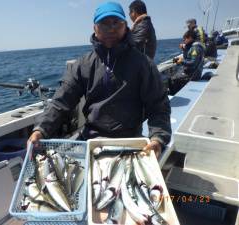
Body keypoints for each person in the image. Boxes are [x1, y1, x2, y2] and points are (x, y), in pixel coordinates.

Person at [28, 1, 171, 158]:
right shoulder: (83, 64)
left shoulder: (143, 64)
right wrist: (40, 129)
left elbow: (159, 106)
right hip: (91, 139)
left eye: (116, 22)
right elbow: (61, 101)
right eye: (104, 23)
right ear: (95, 29)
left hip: (130, 141)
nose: (111, 28)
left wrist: (157, 138)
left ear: (126, 26)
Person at [171, 30, 204, 94]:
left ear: (190, 38)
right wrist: (184, 50)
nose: (183, 40)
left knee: (173, 79)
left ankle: (175, 96)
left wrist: (181, 61)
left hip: (194, 75)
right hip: (192, 72)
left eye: (185, 38)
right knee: (175, 74)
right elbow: (188, 57)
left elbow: (193, 63)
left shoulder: (195, 48)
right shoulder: (192, 46)